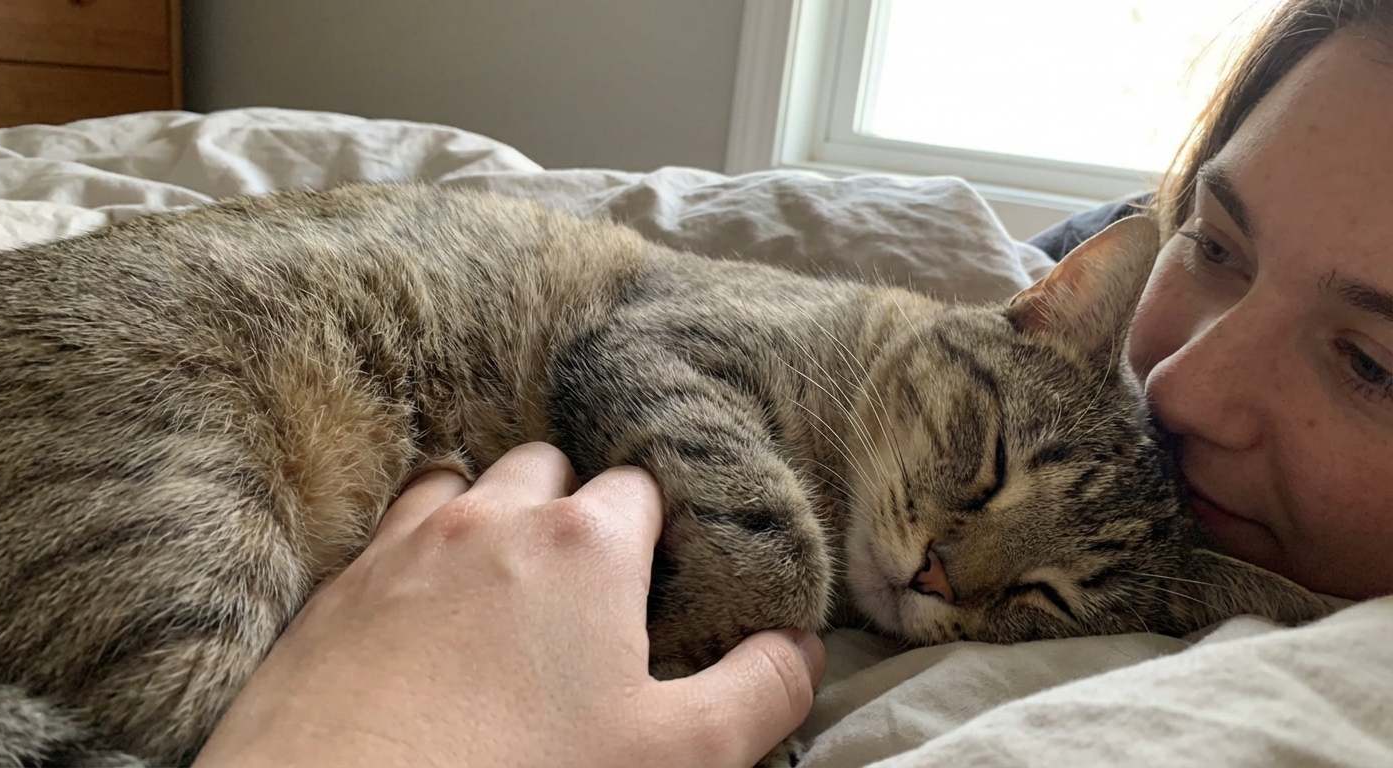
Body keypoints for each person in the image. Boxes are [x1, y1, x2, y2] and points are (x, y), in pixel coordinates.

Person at [194, 0, 1393, 765]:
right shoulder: (968, 356)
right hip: (273, 351)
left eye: (1373, 363)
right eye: (1216, 242)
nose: (1178, 387)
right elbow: (630, 345)